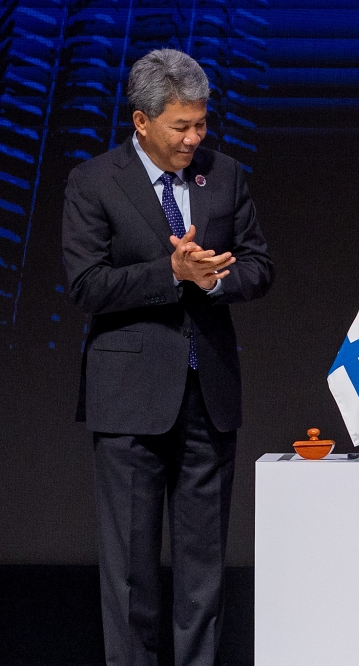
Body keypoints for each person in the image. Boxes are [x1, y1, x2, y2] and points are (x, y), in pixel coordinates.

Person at [62, 49, 273, 666]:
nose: (194, 137)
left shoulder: (225, 175)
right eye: (181, 126)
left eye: (201, 123)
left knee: (203, 570)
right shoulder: (93, 182)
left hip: (209, 398)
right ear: (141, 122)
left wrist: (213, 282)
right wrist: (171, 272)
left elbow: (260, 267)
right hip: (128, 401)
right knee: (130, 575)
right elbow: (86, 285)